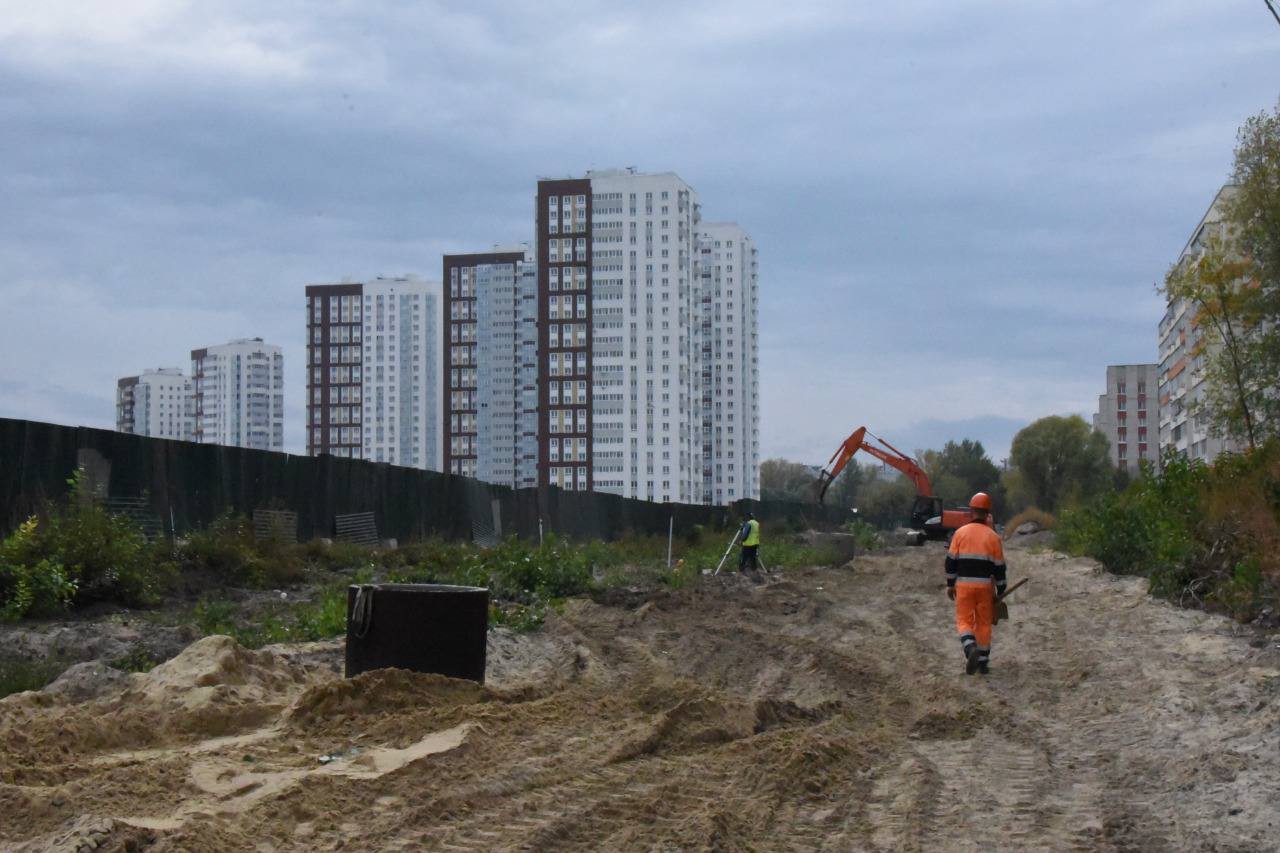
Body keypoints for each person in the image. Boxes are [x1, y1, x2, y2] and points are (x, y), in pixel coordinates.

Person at [945, 492, 1007, 675]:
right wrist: (1001, 589)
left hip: (963, 586)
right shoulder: (994, 537)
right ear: (988, 513)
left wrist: (950, 584)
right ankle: (983, 662)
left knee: (964, 621)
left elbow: (950, 562)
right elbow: (999, 568)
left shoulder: (960, 533)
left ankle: (970, 647)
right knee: (983, 624)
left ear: (971, 511)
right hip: (985, 588)